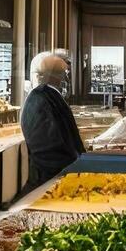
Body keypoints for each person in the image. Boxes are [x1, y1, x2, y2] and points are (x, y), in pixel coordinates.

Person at [20, 51, 85, 194]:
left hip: (58, 177)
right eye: (62, 75)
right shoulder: (40, 100)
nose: (65, 79)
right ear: (50, 77)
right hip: (48, 181)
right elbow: (49, 150)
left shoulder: (47, 96)